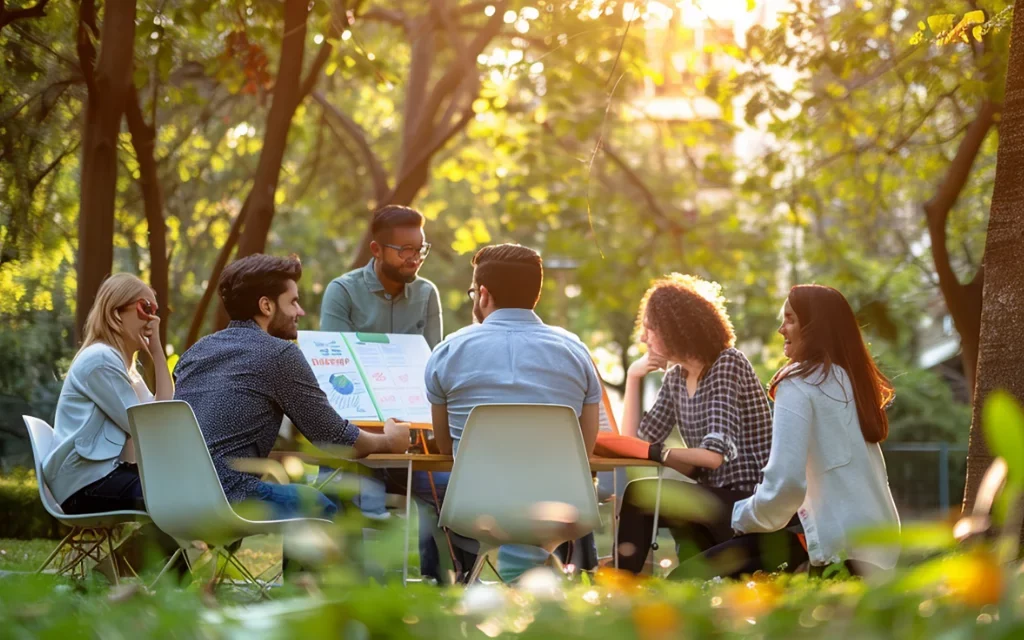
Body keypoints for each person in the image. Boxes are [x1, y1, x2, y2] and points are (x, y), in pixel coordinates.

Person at [391, 243, 602, 583]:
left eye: (473, 291)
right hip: (559, 509)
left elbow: (445, 448)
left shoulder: (449, 352)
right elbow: (585, 449)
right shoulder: (576, 353)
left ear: (484, 294)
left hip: (475, 510)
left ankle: (454, 583)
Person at [173, 254, 410, 520]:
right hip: (229, 497)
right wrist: (390, 441)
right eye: (293, 302)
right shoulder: (279, 354)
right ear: (266, 306)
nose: (300, 312)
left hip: (171, 496)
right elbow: (334, 438)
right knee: (319, 505)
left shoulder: (196, 352)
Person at [716, 284, 901, 577]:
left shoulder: (798, 383)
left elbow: (786, 486)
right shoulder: (850, 381)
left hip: (838, 553)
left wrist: (739, 517)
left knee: (689, 578)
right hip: (879, 552)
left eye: (790, 319)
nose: (781, 329)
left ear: (814, 327)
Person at [615, 274, 773, 574]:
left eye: (650, 328)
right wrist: (634, 378)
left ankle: (621, 585)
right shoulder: (675, 378)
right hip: (714, 499)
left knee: (638, 494)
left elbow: (713, 456)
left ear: (676, 329)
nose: (643, 338)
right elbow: (633, 442)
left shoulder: (727, 363)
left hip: (748, 498)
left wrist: (658, 454)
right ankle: (624, 584)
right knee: (689, 573)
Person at [43, 273, 181, 577]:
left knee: (187, 498)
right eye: (145, 307)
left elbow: (162, 412)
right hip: (85, 483)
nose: (152, 318)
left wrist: (157, 350)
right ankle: (109, 582)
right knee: (183, 502)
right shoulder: (100, 360)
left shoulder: (124, 367)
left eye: (156, 310)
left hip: (101, 476)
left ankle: (119, 583)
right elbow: (148, 430)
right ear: (115, 311)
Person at [319, 205, 441, 521]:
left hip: (410, 440)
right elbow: (336, 374)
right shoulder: (342, 291)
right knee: (359, 503)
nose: (414, 258)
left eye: (420, 250)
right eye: (405, 250)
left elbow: (431, 373)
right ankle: (365, 570)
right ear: (376, 249)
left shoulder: (427, 294)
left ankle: (440, 572)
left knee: (450, 490)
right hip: (353, 438)